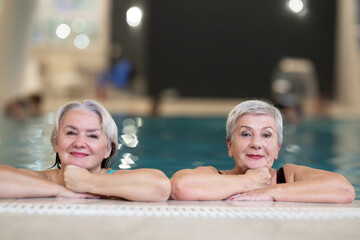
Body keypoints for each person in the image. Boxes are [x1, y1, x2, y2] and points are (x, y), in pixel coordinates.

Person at [170, 100, 355, 203]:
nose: (256, 143)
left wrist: (271, 192)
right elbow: (180, 187)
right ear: (229, 146)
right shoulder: (213, 175)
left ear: (277, 149)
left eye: (266, 135)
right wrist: (248, 181)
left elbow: (344, 189)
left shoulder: (289, 176)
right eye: (245, 134)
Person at [0, 100, 171, 201]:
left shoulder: (118, 180)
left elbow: (161, 186)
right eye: (71, 133)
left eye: (93, 136)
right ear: (55, 143)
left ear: (108, 150)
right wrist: (59, 190)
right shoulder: (44, 179)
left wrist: (88, 182)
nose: (80, 142)